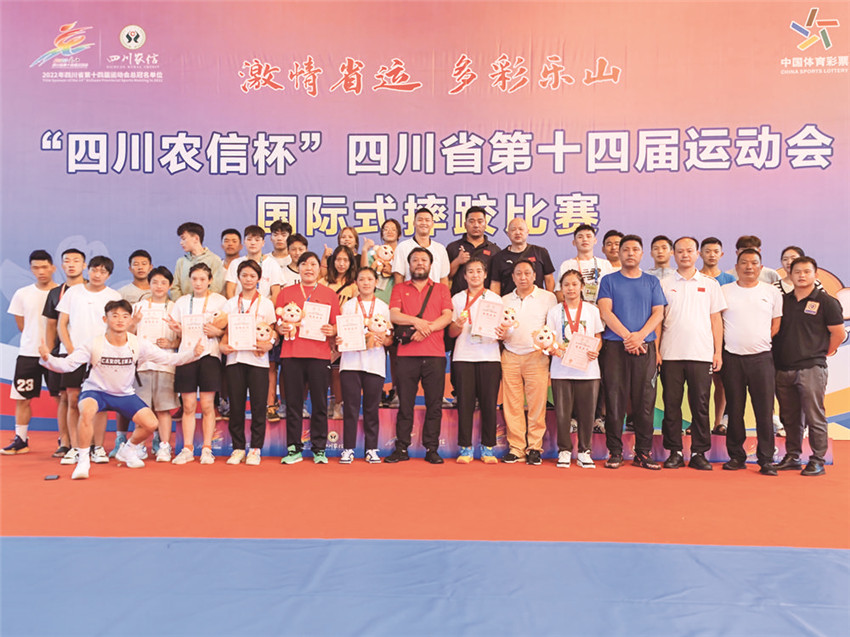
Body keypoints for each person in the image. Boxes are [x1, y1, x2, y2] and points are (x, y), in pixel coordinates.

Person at [38, 300, 203, 479]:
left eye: (125, 316)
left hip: (124, 394)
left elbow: (168, 359)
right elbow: (67, 365)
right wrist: (48, 358)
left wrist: (193, 354)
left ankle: (128, 449)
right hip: (96, 391)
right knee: (86, 411)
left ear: (130, 320)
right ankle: (83, 461)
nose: (120, 320)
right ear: (105, 319)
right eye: (115, 316)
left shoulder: (138, 344)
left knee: (151, 424)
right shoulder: (93, 343)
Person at [597, 235, 666, 470]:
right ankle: (615, 452)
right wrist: (629, 337)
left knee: (644, 401)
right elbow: (605, 312)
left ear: (642, 254)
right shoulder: (609, 280)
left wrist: (639, 337)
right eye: (625, 249)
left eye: (635, 249)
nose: (630, 253)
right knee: (614, 400)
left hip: (645, 346)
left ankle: (643, 452)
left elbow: (658, 313)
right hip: (616, 347)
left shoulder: (652, 282)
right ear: (619, 253)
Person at [657, 237, 726, 471]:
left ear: (697, 254)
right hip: (670, 355)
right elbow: (658, 320)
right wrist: (656, 351)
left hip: (701, 354)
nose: (685, 255)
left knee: (700, 405)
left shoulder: (710, 284)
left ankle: (699, 452)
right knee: (671, 404)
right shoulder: (664, 283)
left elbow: (716, 320)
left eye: (689, 251)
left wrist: (718, 352)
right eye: (680, 251)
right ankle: (674, 451)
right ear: (673, 254)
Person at [773, 256, 844, 477]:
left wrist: (822, 352)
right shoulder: (782, 301)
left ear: (815, 275)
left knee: (814, 416)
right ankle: (793, 456)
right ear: (790, 275)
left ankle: (817, 460)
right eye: (797, 272)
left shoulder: (827, 302)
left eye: (806, 271)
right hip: (782, 368)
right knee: (790, 418)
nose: (802, 276)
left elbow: (839, 334)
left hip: (811, 368)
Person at [719, 249, 783, 475]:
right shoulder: (725, 291)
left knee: (764, 411)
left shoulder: (771, 292)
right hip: (732, 358)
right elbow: (717, 323)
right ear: (736, 267)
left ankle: (766, 459)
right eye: (744, 263)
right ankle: (736, 456)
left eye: (754, 263)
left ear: (761, 267)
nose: (749, 267)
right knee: (735, 410)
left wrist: (759, 341)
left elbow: (776, 325)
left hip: (762, 359)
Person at [386, 247, 453, 464]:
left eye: (424, 260)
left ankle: (431, 448)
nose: (420, 263)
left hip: (435, 354)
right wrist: (417, 322)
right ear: (409, 265)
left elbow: (447, 316)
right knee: (405, 404)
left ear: (431, 265)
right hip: (406, 355)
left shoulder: (441, 289)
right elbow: (394, 315)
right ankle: (401, 448)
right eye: (415, 260)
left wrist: (427, 329)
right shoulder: (399, 289)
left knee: (434, 404)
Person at [56, 255, 122, 465]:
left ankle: (98, 447)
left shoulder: (113, 296)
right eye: (94, 270)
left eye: (103, 272)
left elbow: (116, 326)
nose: (97, 275)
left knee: (99, 402)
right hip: (74, 355)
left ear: (109, 275)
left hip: (102, 356)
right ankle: (76, 448)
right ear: (88, 270)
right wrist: (71, 350)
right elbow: (61, 324)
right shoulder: (73, 292)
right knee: (73, 400)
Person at [275, 251, 340, 465]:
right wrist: (281, 328)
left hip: (319, 355)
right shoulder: (286, 293)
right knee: (293, 404)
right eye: (304, 264)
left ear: (319, 268)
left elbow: (336, 324)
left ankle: (319, 448)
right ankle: (294, 448)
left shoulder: (329, 294)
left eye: (313, 264)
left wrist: (332, 330)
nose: (309, 268)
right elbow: (277, 323)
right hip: (292, 354)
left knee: (320, 403)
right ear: (299, 268)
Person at [497, 259, 557, 465]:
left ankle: (534, 448)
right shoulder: (504, 300)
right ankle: (516, 448)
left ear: (535, 276)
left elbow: (552, 328)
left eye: (527, 273)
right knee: (512, 405)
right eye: (518, 273)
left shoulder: (548, 298)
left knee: (537, 404)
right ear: (513, 277)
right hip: (510, 355)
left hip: (536, 356)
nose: (523, 277)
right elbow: (499, 328)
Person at [167, 262, 227, 465]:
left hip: (210, 356)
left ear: (210, 280)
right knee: (189, 405)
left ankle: (207, 449)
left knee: (208, 405)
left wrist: (218, 332)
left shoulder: (220, 301)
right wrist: (177, 329)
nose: (198, 283)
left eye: (202, 279)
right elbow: (179, 330)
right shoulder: (182, 302)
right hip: (187, 356)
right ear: (189, 280)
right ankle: (187, 449)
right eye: (194, 279)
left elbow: (227, 329)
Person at [220, 260, 276, 466]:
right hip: (235, 359)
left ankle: (255, 449)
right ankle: (237, 448)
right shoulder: (230, 304)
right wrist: (222, 345)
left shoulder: (266, 304)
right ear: (238, 278)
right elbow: (224, 330)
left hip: (258, 361)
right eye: (244, 275)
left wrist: (270, 343)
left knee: (259, 406)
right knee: (236, 406)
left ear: (259, 279)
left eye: (252, 276)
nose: (248, 279)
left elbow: (273, 331)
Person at [1, 250, 57, 455]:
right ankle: (21, 440)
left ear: (53, 268)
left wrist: (51, 347)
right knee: (22, 398)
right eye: (36, 267)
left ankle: (66, 441)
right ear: (31, 269)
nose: (40, 271)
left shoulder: (62, 293)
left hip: (56, 355)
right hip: (28, 353)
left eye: (44, 267)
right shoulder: (22, 293)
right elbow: (22, 325)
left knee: (62, 399)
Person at [546, 269, 603, 469]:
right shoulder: (554, 311)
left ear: (582, 287)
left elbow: (598, 337)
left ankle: (585, 451)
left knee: (587, 413)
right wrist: (553, 349)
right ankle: (564, 450)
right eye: (566, 285)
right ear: (561, 288)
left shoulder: (592, 310)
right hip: (561, 369)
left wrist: (596, 351)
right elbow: (550, 338)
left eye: (574, 284)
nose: (570, 288)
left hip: (588, 370)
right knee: (563, 413)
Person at [447, 258, 503, 464]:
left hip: (489, 357)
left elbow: (503, 330)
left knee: (489, 404)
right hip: (463, 356)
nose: (475, 275)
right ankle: (465, 448)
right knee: (465, 404)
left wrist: (502, 332)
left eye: (479, 271)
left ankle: (488, 448)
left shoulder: (495, 299)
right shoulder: (457, 299)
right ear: (464, 276)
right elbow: (451, 333)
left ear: (485, 274)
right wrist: (458, 324)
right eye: (470, 271)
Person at [337, 267, 393, 464]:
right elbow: (340, 333)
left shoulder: (383, 307)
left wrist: (384, 340)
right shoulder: (348, 306)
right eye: (362, 279)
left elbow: (389, 338)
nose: (366, 283)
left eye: (370, 279)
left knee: (371, 408)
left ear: (376, 283)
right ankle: (348, 449)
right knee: (350, 408)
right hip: (350, 363)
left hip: (375, 363)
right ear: (356, 283)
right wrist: (339, 339)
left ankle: (371, 449)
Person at [128, 266, 181, 462]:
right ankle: (139, 446)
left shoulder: (175, 307)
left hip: (166, 365)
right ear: (149, 284)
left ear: (170, 285)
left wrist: (171, 343)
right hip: (142, 365)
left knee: (163, 409)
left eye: (163, 283)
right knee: (141, 410)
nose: (159, 286)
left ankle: (164, 446)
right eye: (155, 282)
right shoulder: (138, 307)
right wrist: (134, 322)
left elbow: (183, 337)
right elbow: (128, 335)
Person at [42, 248, 86, 459]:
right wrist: (51, 354)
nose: (71, 264)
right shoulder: (55, 293)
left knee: (86, 399)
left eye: (76, 260)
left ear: (84, 265)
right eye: (67, 261)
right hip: (63, 352)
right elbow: (51, 325)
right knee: (64, 398)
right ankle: (65, 442)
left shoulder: (92, 289)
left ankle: (88, 443)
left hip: (89, 352)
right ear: (61, 266)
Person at [111, 249, 155, 456]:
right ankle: (121, 438)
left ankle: (154, 439)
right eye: (136, 264)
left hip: (152, 350)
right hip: (127, 350)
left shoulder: (159, 290)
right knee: (124, 394)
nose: (140, 267)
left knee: (152, 398)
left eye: (144, 263)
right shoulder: (122, 293)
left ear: (150, 267)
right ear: (129, 268)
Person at [363, 218, 402, 407]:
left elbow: (407, 278)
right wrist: (366, 252)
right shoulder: (374, 253)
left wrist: (393, 270)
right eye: (386, 229)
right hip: (375, 308)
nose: (389, 231)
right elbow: (365, 272)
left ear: (399, 234)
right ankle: (376, 392)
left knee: (395, 352)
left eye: (393, 229)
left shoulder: (402, 254)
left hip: (395, 307)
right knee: (374, 348)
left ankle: (395, 390)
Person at [699, 236, 736, 433]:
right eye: (707, 251)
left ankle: (718, 423)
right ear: (700, 254)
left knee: (721, 383)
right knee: (699, 385)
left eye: (715, 252)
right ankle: (698, 423)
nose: (711, 255)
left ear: (721, 254)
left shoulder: (729, 281)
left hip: (724, 338)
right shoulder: (695, 277)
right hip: (699, 338)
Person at [320, 245, 358, 420]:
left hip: (343, 334)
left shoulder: (354, 286)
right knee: (322, 373)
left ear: (351, 263)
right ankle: (324, 404)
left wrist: (337, 330)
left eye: (346, 260)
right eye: (338, 259)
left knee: (337, 372)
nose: (341, 264)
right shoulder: (323, 283)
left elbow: (355, 313)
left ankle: (337, 405)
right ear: (332, 261)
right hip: (322, 332)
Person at [489, 217, 555, 295]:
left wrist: (549, 298)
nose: (517, 232)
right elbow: (495, 284)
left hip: (537, 300)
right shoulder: (499, 257)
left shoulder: (541, 252)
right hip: (509, 301)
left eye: (521, 229)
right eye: (513, 230)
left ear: (527, 232)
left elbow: (549, 279)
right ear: (508, 234)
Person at [446, 206, 500, 296]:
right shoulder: (453, 247)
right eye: (471, 221)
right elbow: (444, 276)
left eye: (480, 221)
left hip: (484, 300)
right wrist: (457, 261)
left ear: (485, 224)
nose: (476, 225)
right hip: (459, 300)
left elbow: (496, 281)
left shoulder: (494, 250)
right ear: (465, 225)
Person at [555, 224, 614, 304]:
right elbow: (559, 293)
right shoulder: (567, 265)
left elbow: (613, 291)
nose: (585, 239)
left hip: (600, 308)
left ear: (595, 240)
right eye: (580, 237)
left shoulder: (605, 264)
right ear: (574, 242)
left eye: (588, 236)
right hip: (576, 309)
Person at [392, 208, 450, 286]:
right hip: (409, 292)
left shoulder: (440, 249)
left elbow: (443, 279)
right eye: (420, 220)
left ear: (432, 224)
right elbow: (398, 278)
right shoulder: (403, 247)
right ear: (414, 223)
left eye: (427, 220)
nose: (423, 223)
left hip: (435, 293)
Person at [224, 225, 283, 300]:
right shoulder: (235, 263)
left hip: (263, 306)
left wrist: (268, 306)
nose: (253, 243)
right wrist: (234, 306)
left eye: (257, 240)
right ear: (244, 242)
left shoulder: (272, 264)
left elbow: (276, 293)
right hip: (239, 306)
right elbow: (229, 291)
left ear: (263, 243)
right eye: (249, 239)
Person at [171, 221, 225, 297]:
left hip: (207, 302)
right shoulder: (181, 261)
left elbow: (216, 287)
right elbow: (175, 287)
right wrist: (182, 302)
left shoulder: (214, 260)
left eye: (183, 238)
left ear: (196, 238)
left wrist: (201, 301)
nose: (181, 242)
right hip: (184, 303)